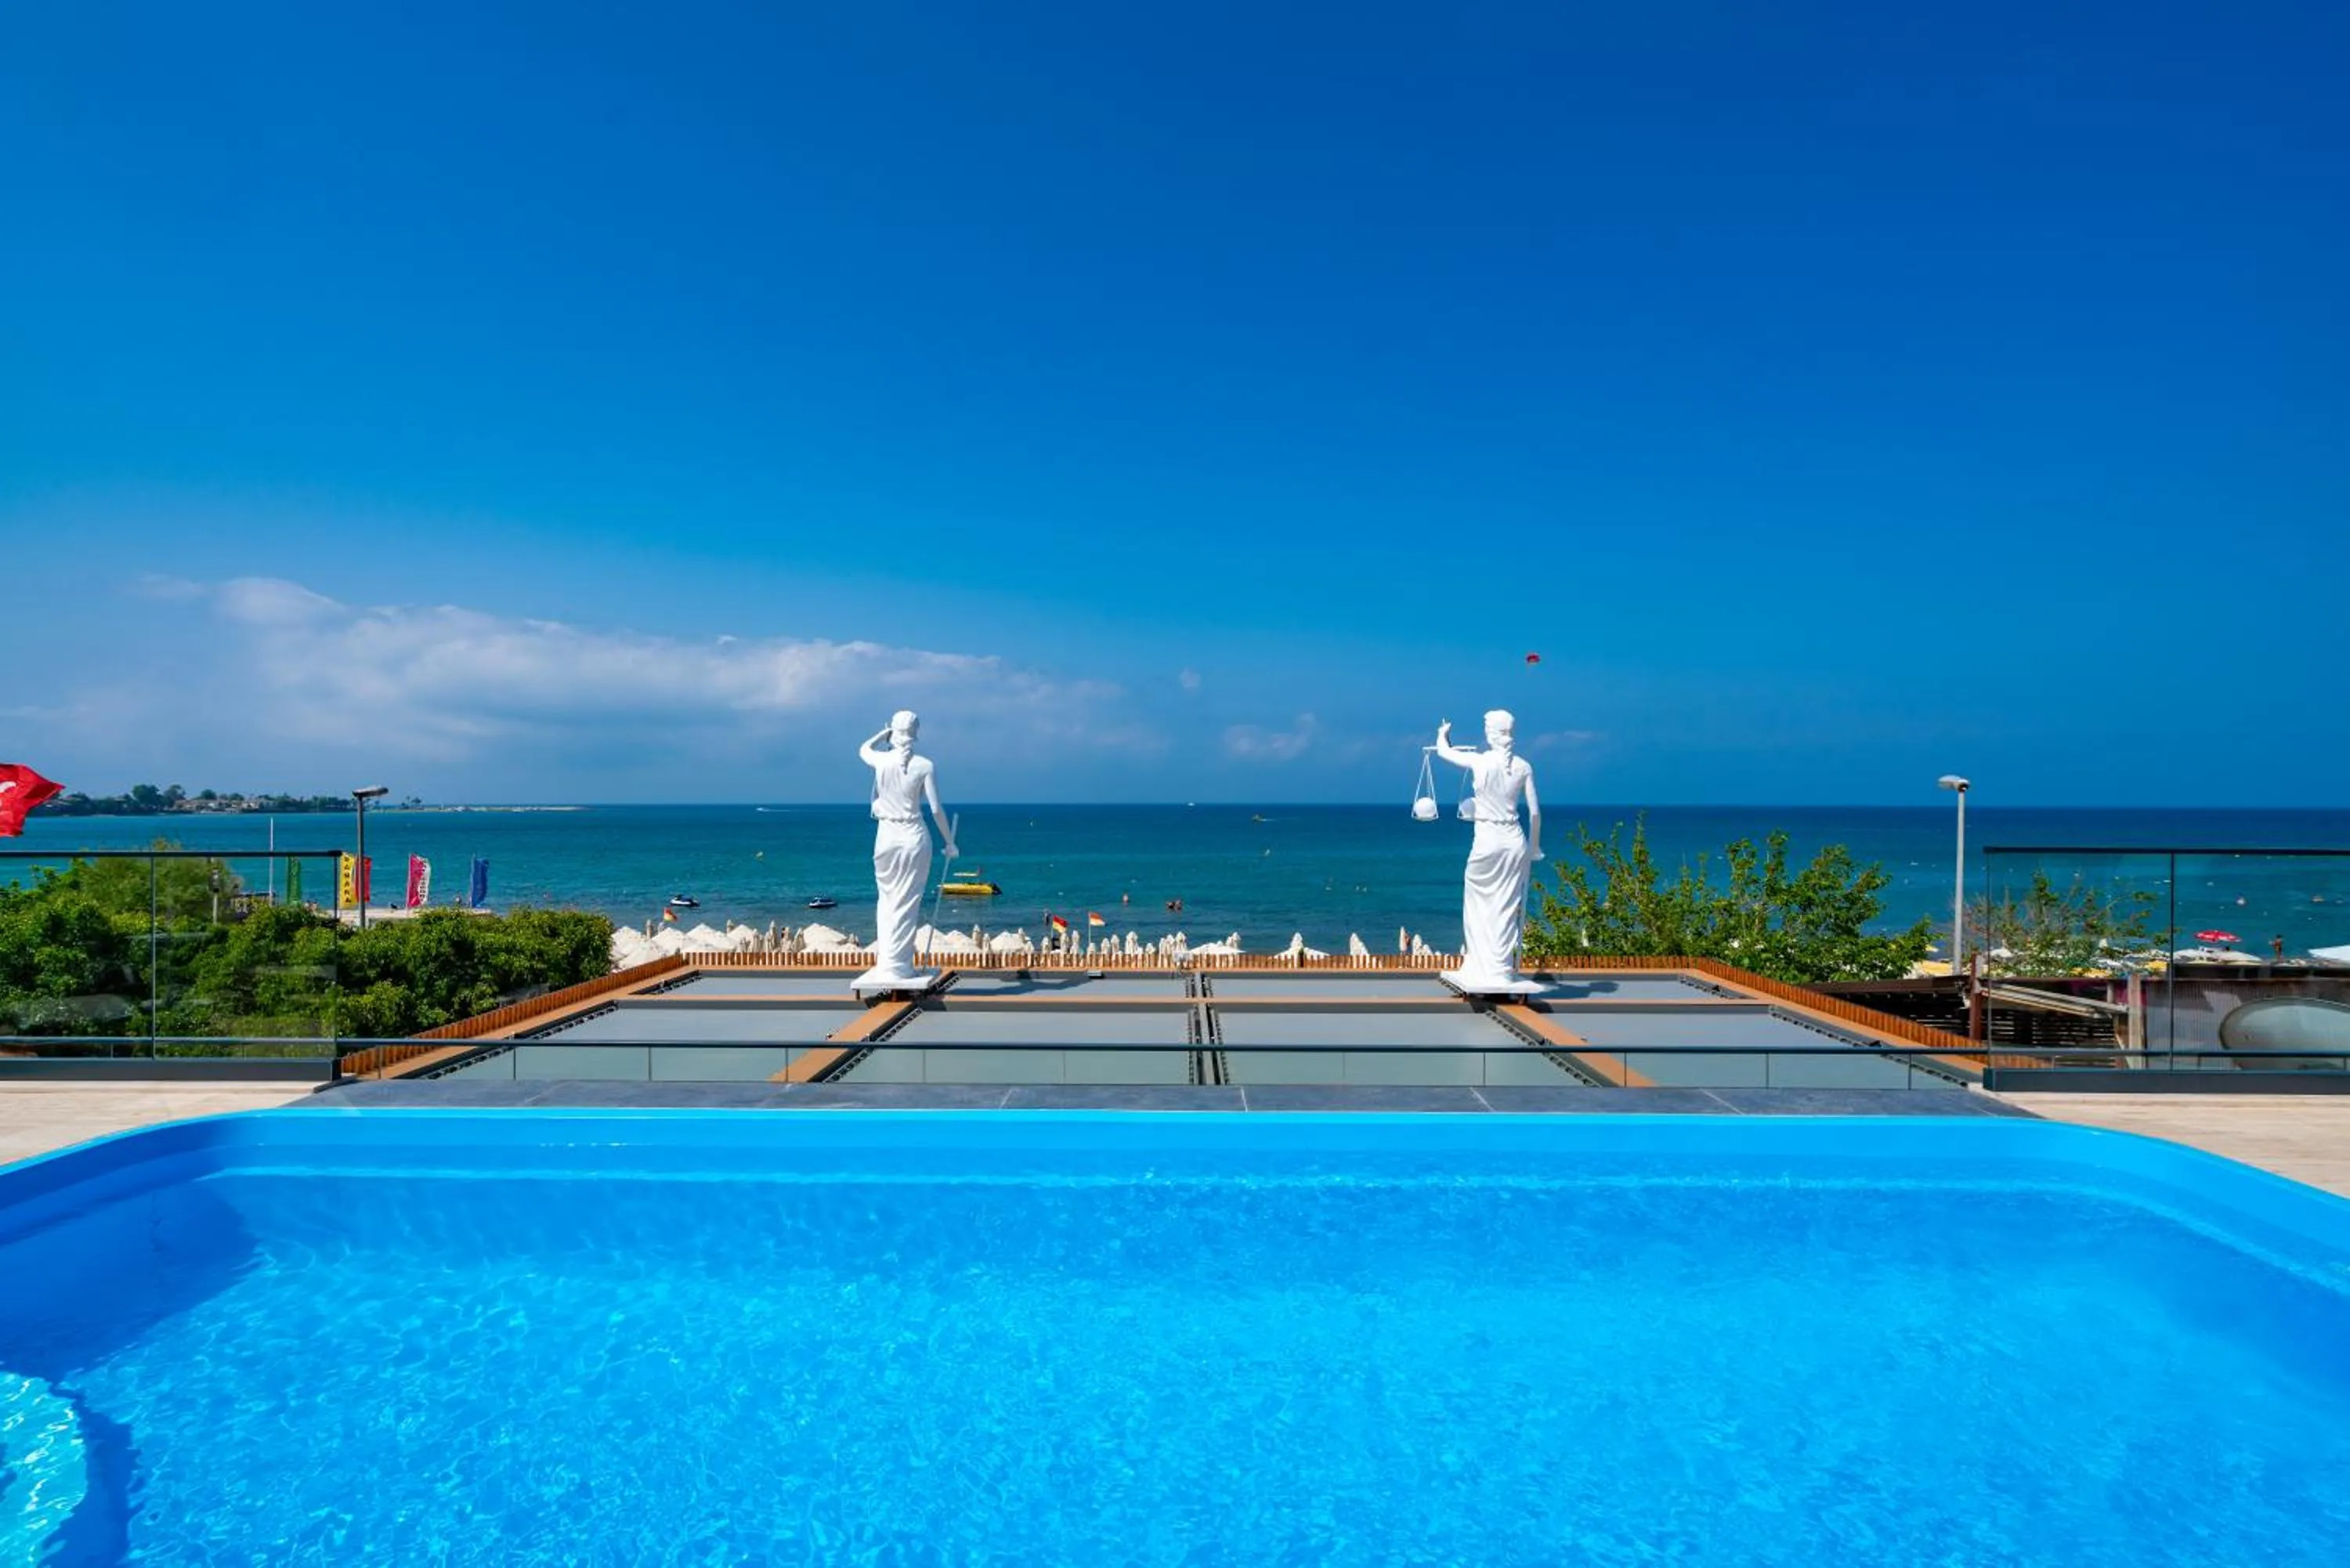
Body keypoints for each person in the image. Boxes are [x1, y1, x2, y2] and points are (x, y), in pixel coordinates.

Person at [1433, 710, 1544, 991]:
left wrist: (1442, 734)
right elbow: (1534, 814)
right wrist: (1534, 847)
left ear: (1491, 733)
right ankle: (1501, 969)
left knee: (1478, 904)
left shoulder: (1480, 761)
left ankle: (1480, 965)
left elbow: (1443, 752)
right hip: (1515, 841)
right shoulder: (1524, 766)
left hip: (1488, 840)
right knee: (1506, 906)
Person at [855, 711, 956, 985]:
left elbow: (863, 749)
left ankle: (889, 965)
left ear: (894, 731)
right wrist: (949, 842)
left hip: (887, 837)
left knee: (887, 900)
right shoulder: (925, 765)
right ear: (916, 732)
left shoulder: (881, 760)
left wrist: (882, 735)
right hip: (913, 838)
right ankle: (900, 967)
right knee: (908, 902)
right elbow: (935, 810)